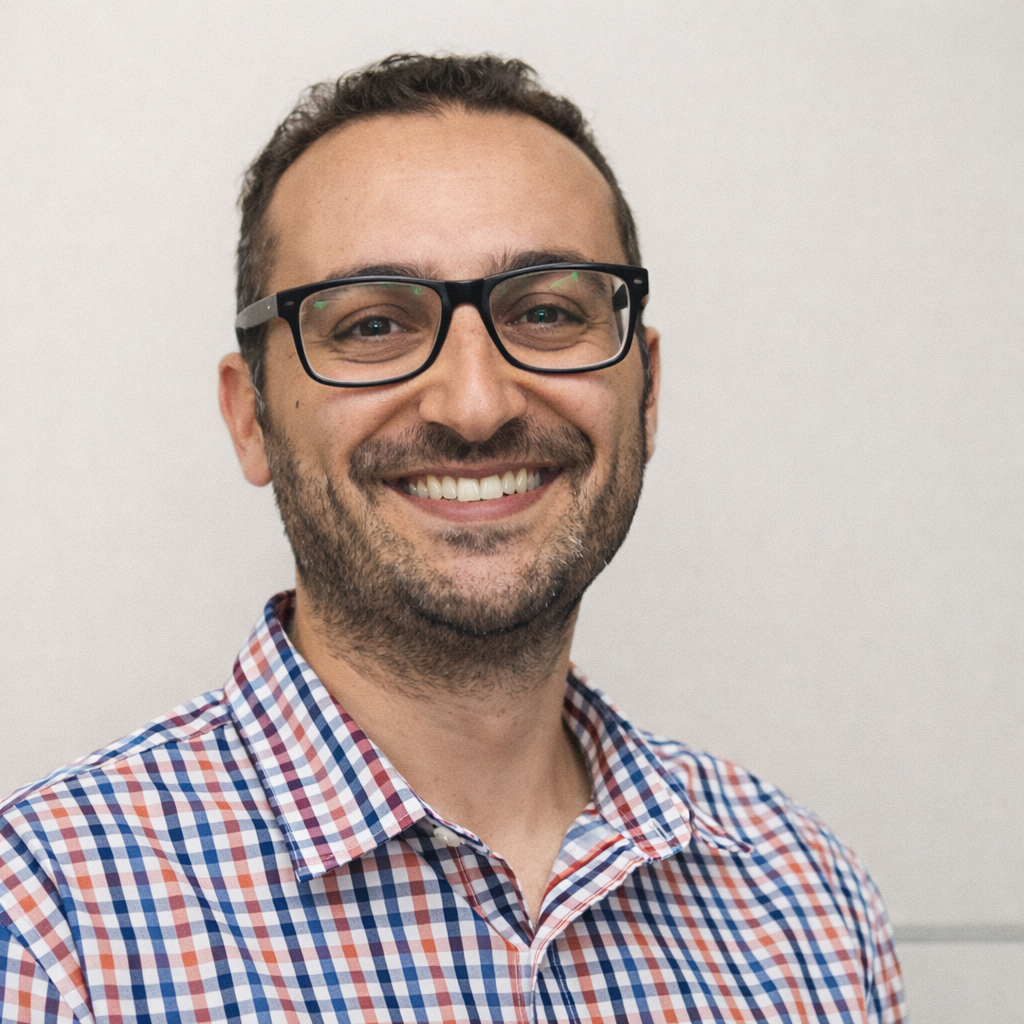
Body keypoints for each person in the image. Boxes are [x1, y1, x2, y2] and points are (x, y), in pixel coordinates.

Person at [0, 54, 904, 1022]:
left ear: (645, 393)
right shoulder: (51, 930)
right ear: (250, 416)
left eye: (546, 312)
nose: (475, 404)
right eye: (373, 325)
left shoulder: (808, 906)